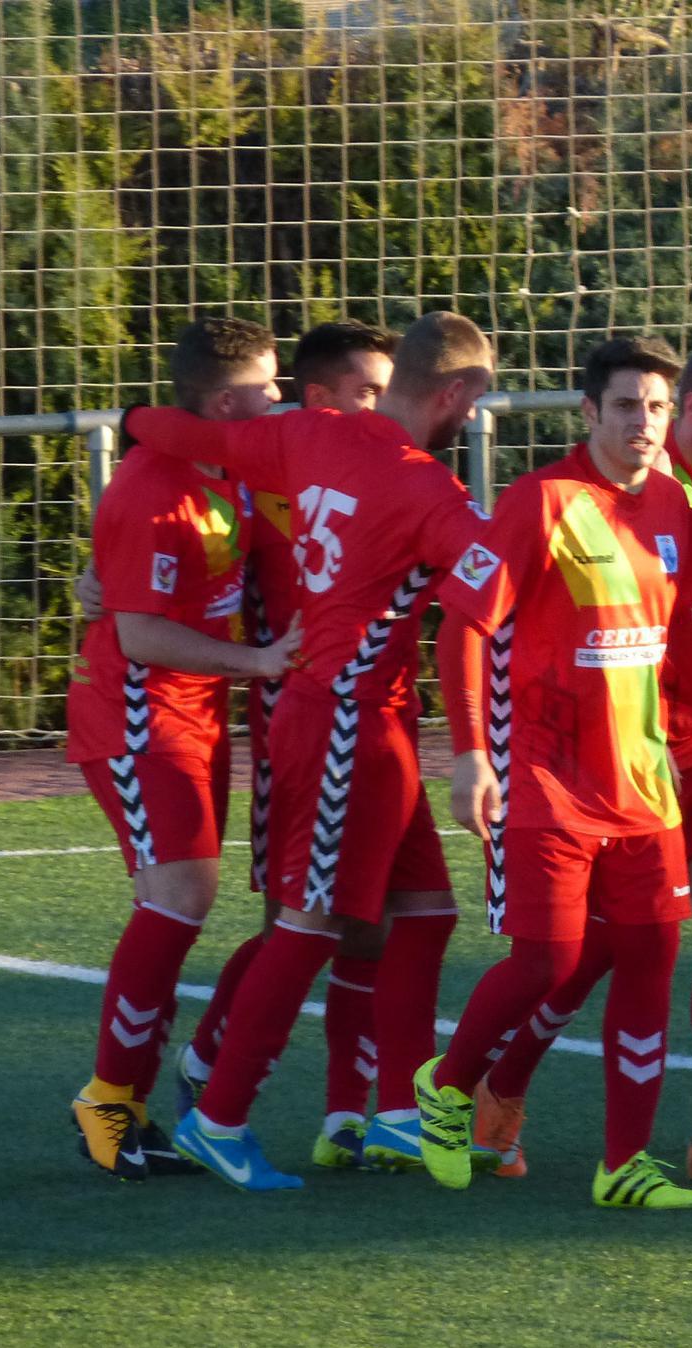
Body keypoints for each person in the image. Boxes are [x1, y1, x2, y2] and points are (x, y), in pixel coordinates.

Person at [412, 336, 692, 1212]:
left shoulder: (669, 504)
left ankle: (626, 1163)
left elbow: (681, 637)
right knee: (549, 961)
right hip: (553, 779)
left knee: (653, 959)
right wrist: (472, 755)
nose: (644, 422)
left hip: (649, 786)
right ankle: (448, 1089)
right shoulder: (541, 501)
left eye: (656, 407)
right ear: (590, 412)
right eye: (628, 406)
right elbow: (463, 625)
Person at [117, 311, 500, 1191]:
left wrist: (133, 419)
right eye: (476, 400)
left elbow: (193, 434)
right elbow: (490, 603)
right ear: (453, 393)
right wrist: (477, 745)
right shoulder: (427, 491)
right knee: (309, 925)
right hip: (341, 722)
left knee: (424, 913)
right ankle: (219, 1116)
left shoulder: (312, 433)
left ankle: (398, 1116)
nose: (476, 418)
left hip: (362, 720)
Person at [171, 320, 440, 1174]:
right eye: (369, 390)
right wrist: (103, 580)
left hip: (378, 718)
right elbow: (190, 566)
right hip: (305, 722)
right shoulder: (264, 482)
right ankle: (211, 1074)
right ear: (322, 401)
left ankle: (362, 1112)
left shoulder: (361, 466)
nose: (385, 405)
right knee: (303, 920)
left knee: (392, 918)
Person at [66, 317, 297, 1181]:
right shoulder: (152, 489)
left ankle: (135, 1100)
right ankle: (108, 1100)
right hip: (138, 717)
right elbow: (139, 634)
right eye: (268, 384)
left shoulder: (226, 467)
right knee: (179, 898)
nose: (279, 396)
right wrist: (260, 662)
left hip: (197, 714)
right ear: (227, 402)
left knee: (182, 903)